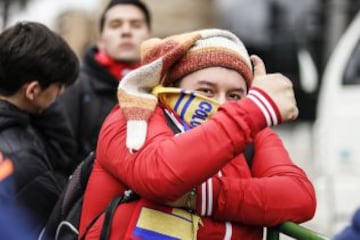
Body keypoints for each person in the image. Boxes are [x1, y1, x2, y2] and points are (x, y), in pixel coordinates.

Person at [79, 29, 316, 239]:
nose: (223, 105)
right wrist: (256, 108)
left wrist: (203, 197)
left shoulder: (253, 134)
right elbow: (159, 175)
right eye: (206, 91)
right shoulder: (132, 118)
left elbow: (300, 198)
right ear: (172, 89)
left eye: (235, 96)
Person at [0, 21, 79, 236]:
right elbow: (58, 223)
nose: (60, 94)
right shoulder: (25, 161)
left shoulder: (27, 123)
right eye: (59, 87)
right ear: (33, 90)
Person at [57, 0, 152, 160]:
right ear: (101, 40)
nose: (126, 31)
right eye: (115, 25)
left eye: (136, 25)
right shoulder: (74, 84)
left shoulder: (164, 86)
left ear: (149, 37)